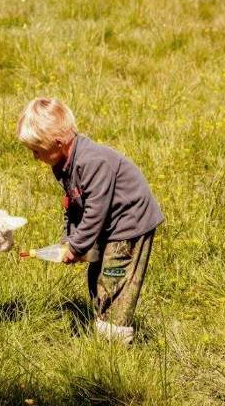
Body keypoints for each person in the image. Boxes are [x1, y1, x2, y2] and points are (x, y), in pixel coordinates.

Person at [16, 97, 163, 344]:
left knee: (115, 280)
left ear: (58, 143)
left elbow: (96, 210)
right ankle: (103, 326)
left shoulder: (92, 162)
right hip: (108, 225)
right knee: (97, 277)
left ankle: (114, 340)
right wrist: (69, 241)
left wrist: (76, 246)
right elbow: (73, 205)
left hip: (129, 224)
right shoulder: (62, 164)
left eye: (37, 151)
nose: (34, 157)